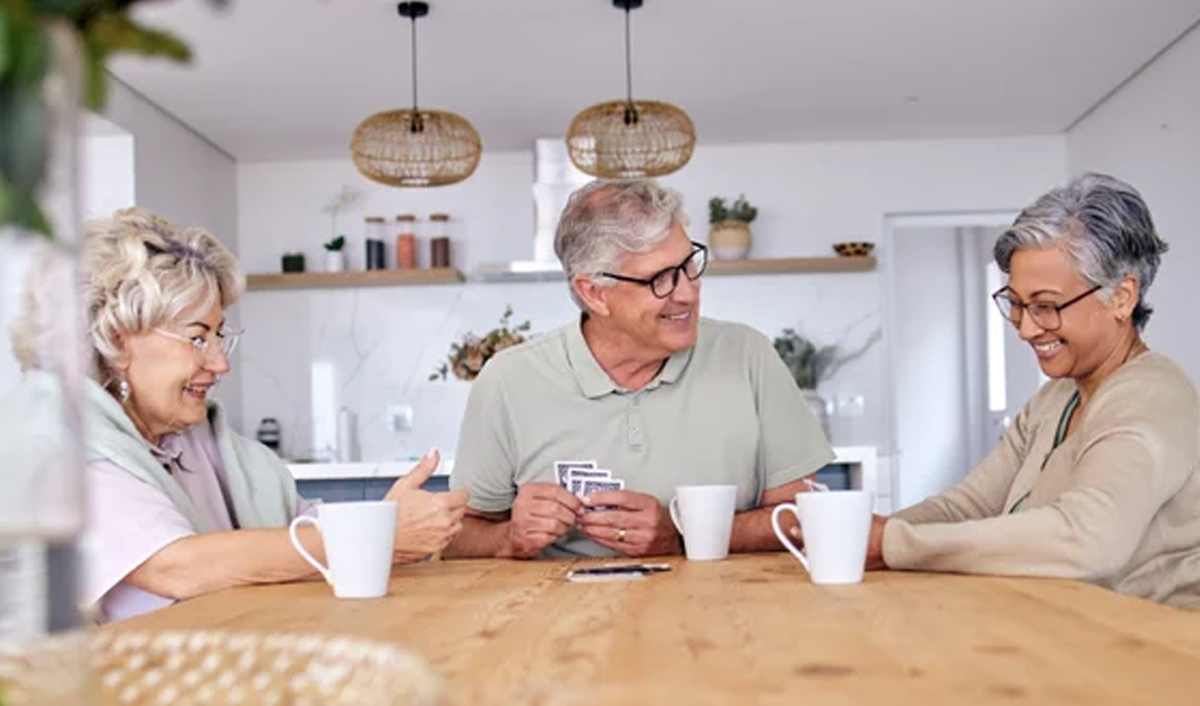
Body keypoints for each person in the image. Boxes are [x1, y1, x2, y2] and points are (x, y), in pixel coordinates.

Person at [9, 208, 467, 622]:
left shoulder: (207, 446)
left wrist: (379, 528)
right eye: (197, 337)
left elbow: (302, 531)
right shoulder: (64, 447)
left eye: (220, 336)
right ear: (116, 338)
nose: (220, 363)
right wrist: (371, 538)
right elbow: (175, 567)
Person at [445, 179, 832, 560]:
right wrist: (507, 539)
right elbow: (457, 538)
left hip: (721, 614)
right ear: (593, 293)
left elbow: (804, 520)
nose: (688, 292)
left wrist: (683, 532)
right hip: (559, 618)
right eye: (659, 279)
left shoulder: (748, 356)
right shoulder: (508, 380)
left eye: (689, 265)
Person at [865, 173, 1200, 607]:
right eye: (1017, 304)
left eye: (1045, 306)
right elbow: (970, 504)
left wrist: (896, 545)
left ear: (1122, 297)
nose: (1025, 329)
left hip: (1147, 652)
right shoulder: (1056, 397)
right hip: (1064, 632)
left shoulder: (1150, 399)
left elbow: (1087, 537)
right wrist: (867, 537)